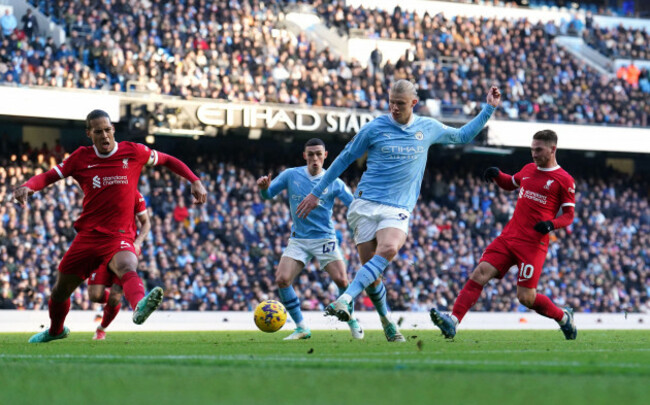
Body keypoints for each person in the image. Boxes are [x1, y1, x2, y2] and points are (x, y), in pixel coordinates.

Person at [296, 80, 501, 342]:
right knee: (372, 276)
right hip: (365, 204)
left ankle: (346, 299)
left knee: (390, 249)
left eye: (400, 103)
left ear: (413, 103)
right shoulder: (374, 128)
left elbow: (461, 136)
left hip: (398, 207)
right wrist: (316, 192)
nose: (394, 107)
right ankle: (388, 323)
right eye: (391, 102)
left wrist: (488, 109)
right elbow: (344, 158)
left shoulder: (427, 127)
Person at [13, 109, 207, 343]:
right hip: (88, 236)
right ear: (89, 134)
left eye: (107, 130)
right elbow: (49, 176)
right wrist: (28, 186)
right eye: (98, 132)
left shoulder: (133, 152)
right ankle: (55, 330)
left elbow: (167, 159)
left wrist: (194, 180)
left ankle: (139, 306)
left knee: (127, 265)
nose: (104, 136)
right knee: (60, 291)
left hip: (120, 235)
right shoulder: (80, 158)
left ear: (113, 129)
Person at [429, 130, 578, 340]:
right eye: (532, 149)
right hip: (509, 237)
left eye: (539, 150)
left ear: (552, 149)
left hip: (533, 244)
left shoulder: (564, 180)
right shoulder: (528, 169)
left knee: (526, 298)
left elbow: (569, 216)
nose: (533, 154)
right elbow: (511, 183)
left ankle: (564, 317)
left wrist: (551, 225)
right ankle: (453, 321)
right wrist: (498, 175)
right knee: (479, 273)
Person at [257, 138, 363, 340]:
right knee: (282, 279)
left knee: (341, 280)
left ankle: (352, 321)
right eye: (311, 154)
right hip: (299, 239)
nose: (315, 158)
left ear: (325, 156)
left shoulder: (335, 182)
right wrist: (263, 188)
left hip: (324, 239)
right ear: (304, 156)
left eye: (318, 154)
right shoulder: (291, 175)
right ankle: (301, 328)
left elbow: (353, 205)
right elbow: (268, 195)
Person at [88, 192, 151, 340]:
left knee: (116, 295)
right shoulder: (102, 189)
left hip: (125, 244)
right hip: (102, 246)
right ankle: (120, 298)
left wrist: (138, 242)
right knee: (95, 295)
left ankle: (102, 328)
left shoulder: (135, 194)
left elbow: (146, 222)